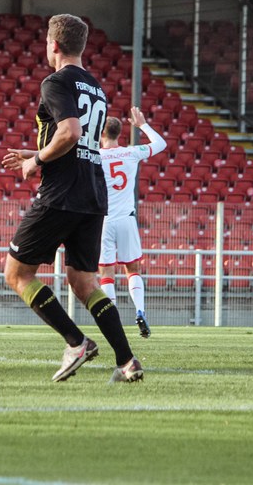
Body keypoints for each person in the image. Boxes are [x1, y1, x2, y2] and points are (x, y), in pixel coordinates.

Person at [1, 13, 144, 384]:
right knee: (84, 281)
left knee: (17, 273)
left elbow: (69, 133)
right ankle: (128, 361)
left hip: (62, 192)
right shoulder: (96, 87)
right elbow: (80, 144)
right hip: (93, 193)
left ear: (53, 45)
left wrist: (35, 161)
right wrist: (34, 151)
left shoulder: (56, 81)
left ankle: (76, 342)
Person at [98, 108, 167, 338]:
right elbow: (161, 144)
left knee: (106, 272)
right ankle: (140, 311)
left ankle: (112, 319)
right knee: (133, 269)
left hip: (104, 220)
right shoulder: (131, 152)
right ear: (120, 134)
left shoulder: (95, 156)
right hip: (126, 219)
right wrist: (143, 125)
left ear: (101, 133)